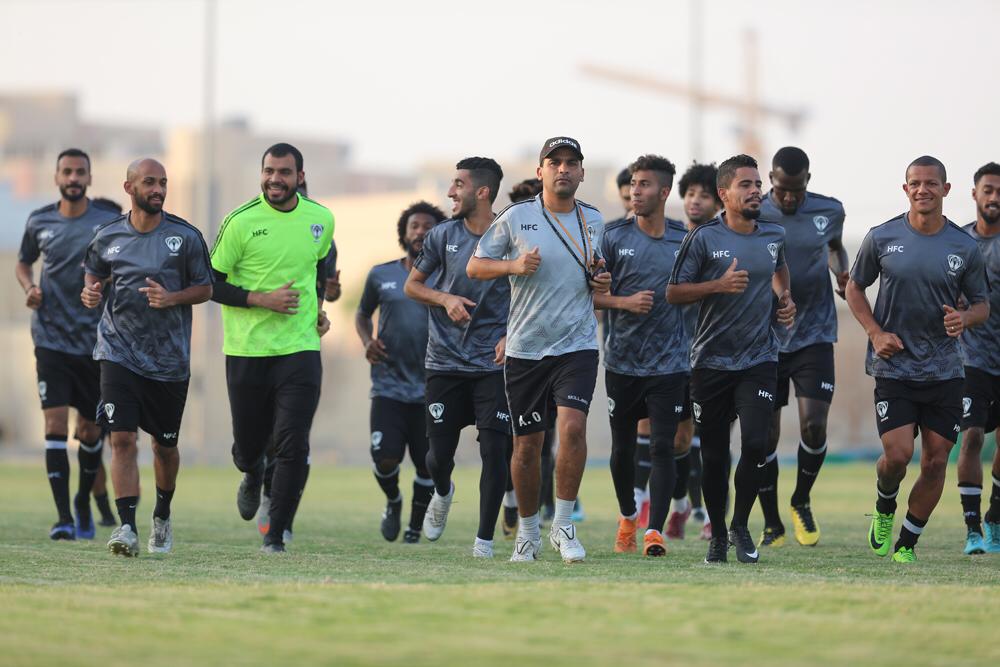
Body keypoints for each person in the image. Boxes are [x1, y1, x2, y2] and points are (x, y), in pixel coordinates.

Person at [468, 136, 611, 563]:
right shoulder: (517, 216)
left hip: (578, 345)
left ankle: (563, 525)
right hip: (527, 348)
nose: (563, 169)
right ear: (540, 171)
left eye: (572, 163)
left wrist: (600, 279)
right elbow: (476, 266)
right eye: (555, 162)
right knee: (527, 447)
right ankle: (528, 532)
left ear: (582, 172)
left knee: (571, 430)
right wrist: (513, 266)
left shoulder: (594, 220)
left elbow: (594, 271)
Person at [847, 155, 989, 563]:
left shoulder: (964, 247)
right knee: (896, 457)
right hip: (894, 366)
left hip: (945, 370)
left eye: (931, 183)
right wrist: (876, 333)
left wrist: (964, 318)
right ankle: (885, 506)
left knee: (935, 460)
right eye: (915, 183)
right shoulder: (882, 237)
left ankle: (907, 544)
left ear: (945, 190)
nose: (922, 189)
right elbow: (855, 289)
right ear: (905, 189)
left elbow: (982, 305)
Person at [667, 153, 795, 564]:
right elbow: (673, 293)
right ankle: (718, 535)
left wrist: (784, 297)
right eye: (746, 185)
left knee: (757, 443)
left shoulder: (773, 234)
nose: (756, 191)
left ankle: (740, 524)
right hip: (709, 363)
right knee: (716, 456)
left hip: (759, 357)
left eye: (758, 184)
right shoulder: (704, 238)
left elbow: (780, 268)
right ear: (724, 193)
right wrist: (718, 286)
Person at [82, 158, 213, 556]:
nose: (158, 189)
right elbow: (93, 273)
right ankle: (126, 527)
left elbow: (206, 288)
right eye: (150, 182)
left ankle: (162, 515)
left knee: (164, 447)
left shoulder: (185, 237)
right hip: (117, 351)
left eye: (163, 183)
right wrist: (90, 292)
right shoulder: (107, 236)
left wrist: (171, 297)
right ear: (129, 188)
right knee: (121, 438)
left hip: (169, 361)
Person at [210, 143, 334, 553]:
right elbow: (211, 283)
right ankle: (250, 471)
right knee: (249, 447)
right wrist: (260, 299)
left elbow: (320, 267)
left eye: (284, 172)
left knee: (293, 442)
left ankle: (276, 533)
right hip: (247, 351)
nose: (274, 179)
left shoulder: (321, 219)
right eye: (268, 171)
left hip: (300, 349)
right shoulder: (240, 222)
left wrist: (319, 307)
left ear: (300, 176)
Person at [403, 157, 512, 559]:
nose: (450, 192)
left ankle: (483, 542)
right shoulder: (441, 236)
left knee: (494, 451)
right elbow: (413, 286)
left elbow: (530, 294)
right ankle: (443, 492)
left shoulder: (511, 235)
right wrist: (445, 297)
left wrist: (510, 334)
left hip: (493, 365)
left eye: (458, 184)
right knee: (437, 457)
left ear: (481, 192)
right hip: (444, 363)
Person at [16, 148, 120, 540]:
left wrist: (104, 285)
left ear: (90, 179)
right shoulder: (39, 220)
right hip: (50, 340)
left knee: (91, 433)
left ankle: (82, 502)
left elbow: (122, 264)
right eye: (67, 172)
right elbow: (23, 262)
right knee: (55, 425)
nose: (73, 178)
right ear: (57, 178)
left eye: (80, 172)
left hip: (96, 344)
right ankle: (62, 519)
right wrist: (29, 287)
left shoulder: (108, 221)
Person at [756, 147, 848, 548]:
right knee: (766, 434)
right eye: (781, 189)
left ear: (807, 181)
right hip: (767, 337)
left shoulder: (830, 210)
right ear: (771, 181)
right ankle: (772, 520)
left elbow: (834, 247)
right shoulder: (755, 212)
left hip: (815, 332)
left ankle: (801, 500)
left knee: (813, 424)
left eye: (796, 190)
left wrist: (843, 273)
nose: (789, 197)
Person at [596, 155, 688, 557]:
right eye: (634, 183)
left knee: (663, 447)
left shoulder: (684, 240)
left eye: (645, 184)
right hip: (622, 363)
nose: (636, 191)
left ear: (665, 192)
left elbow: (698, 294)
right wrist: (624, 302)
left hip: (671, 365)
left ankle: (655, 532)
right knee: (622, 449)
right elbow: (593, 297)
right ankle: (627, 518)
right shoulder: (613, 237)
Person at [357, 201, 446, 544]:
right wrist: (367, 341)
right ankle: (393, 501)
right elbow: (362, 314)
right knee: (385, 457)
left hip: (433, 385)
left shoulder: (449, 277)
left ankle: (414, 528)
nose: (420, 231)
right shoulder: (381, 275)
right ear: (404, 233)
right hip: (388, 385)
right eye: (414, 226)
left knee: (427, 464)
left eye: (428, 226)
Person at [668, 162, 722, 541]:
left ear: (719, 201)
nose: (695, 201)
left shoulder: (725, 242)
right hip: (675, 356)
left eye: (704, 195)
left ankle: (713, 518)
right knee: (679, 441)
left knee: (715, 440)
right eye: (689, 194)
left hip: (719, 354)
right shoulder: (672, 240)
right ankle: (681, 503)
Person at [957, 162, 1000, 555]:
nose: (994, 198)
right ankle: (973, 529)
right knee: (970, 435)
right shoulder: (958, 244)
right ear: (974, 194)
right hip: (971, 357)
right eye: (988, 190)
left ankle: (995, 518)